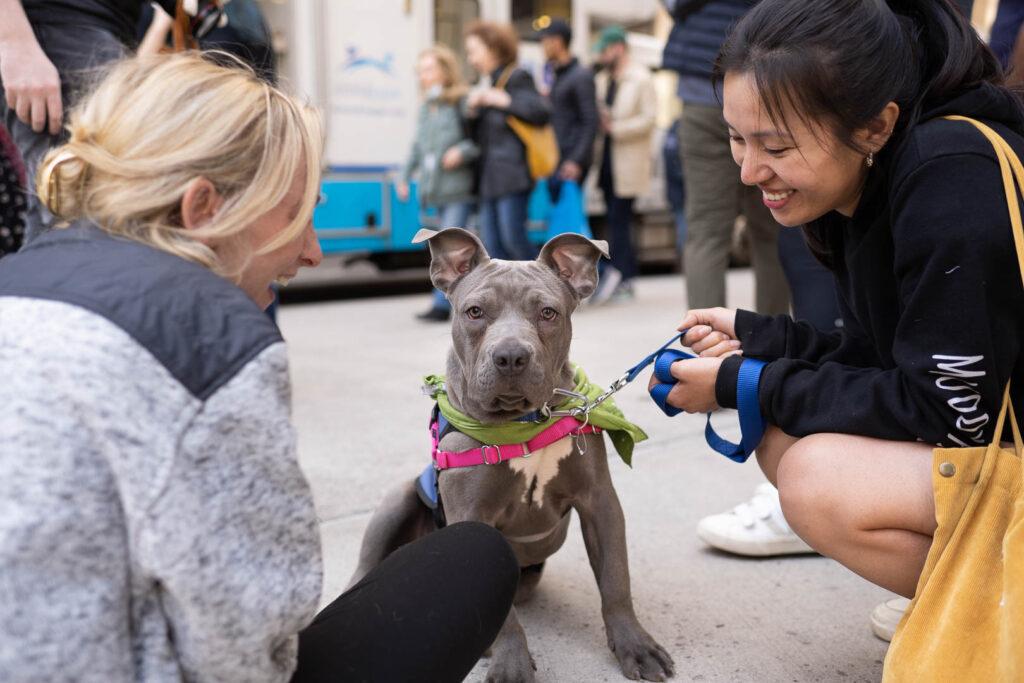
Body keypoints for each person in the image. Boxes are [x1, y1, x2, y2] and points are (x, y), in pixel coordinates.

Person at [0, 53, 518, 682]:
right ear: (203, 210)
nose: (313, 249)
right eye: (296, 214)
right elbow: (252, 641)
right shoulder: (211, 339)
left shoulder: (16, 276)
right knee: (475, 557)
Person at [651, 0, 1024, 640]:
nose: (748, 170)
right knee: (780, 437)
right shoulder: (860, 175)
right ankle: (964, 589)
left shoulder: (953, 175)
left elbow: (951, 410)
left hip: (988, 428)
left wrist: (747, 381)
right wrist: (762, 338)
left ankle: (993, 605)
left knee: (816, 479)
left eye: (776, 145)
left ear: (876, 126)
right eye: (737, 138)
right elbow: (882, 356)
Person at [660, 0, 791, 315]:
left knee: (706, 232)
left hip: (703, 94)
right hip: (768, 91)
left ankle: (709, 349)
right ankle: (771, 346)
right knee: (774, 228)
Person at [397, 44, 478, 322]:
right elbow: (417, 148)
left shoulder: (460, 101)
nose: (424, 76)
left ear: (445, 71)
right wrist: (404, 176)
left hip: (458, 189)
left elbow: (479, 141)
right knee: (451, 250)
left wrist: (461, 152)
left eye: (429, 69)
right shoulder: (426, 107)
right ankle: (465, 304)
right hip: (436, 191)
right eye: (420, 71)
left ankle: (444, 306)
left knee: (449, 250)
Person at [464, 19, 550, 261]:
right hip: (489, 180)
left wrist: (504, 100)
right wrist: (472, 114)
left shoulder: (518, 78)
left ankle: (546, 287)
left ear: (493, 48)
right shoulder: (492, 84)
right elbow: (478, 137)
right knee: (492, 247)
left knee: (513, 239)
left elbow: (541, 113)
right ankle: (506, 299)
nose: (471, 59)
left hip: (512, 177)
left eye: (474, 51)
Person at [589, 25, 656, 304]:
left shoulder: (641, 78)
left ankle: (625, 277)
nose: (602, 56)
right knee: (610, 220)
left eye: (604, 50)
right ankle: (618, 275)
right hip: (605, 162)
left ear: (618, 48)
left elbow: (649, 120)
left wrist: (614, 127)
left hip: (628, 163)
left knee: (620, 221)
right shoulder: (603, 80)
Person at [537, 18, 598, 203]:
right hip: (556, 159)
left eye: (545, 42)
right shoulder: (559, 75)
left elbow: (590, 121)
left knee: (568, 225)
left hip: (569, 163)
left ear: (558, 42)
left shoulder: (581, 76)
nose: (542, 47)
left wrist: (576, 160)